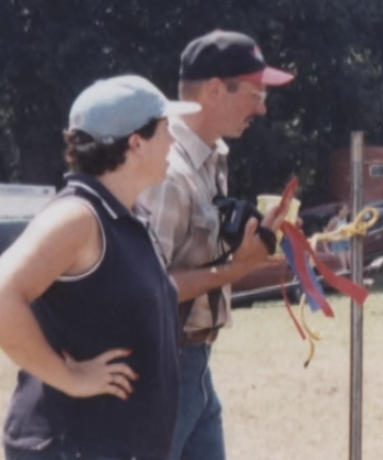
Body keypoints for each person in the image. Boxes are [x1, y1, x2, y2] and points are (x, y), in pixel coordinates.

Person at [0, 75, 201, 460]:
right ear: (136, 143)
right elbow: (2, 294)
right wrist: (70, 378)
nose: (174, 141)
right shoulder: (78, 216)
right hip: (71, 446)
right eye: (165, 129)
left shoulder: (123, 216)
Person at [139, 30, 295, 460]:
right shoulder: (168, 173)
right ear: (213, 90)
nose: (262, 108)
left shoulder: (207, 158)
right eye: (255, 94)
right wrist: (236, 267)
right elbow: (148, 289)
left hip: (195, 365)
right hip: (163, 368)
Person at [324, 203, 351, 270]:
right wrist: (326, 248)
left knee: (351, 262)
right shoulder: (334, 221)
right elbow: (326, 233)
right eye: (345, 210)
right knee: (343, 265)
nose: (347, 211)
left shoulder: (345, 219)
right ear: (340, 211)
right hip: (338, 243)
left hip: (346, 241)